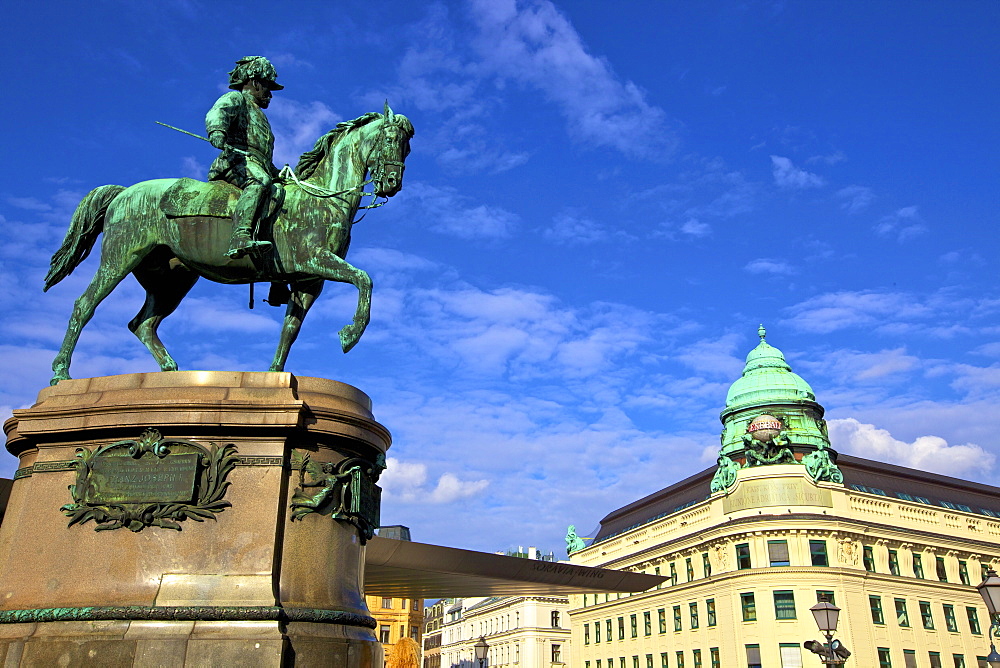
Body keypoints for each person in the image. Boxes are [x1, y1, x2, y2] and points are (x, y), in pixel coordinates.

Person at [205, 56, 283, 259]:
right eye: (268, 87)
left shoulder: (261, 117)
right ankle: (240, 237)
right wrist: (217, 131)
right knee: (259, 181)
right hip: (234, 162)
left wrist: (277, 172)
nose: (270, 95)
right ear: (256, 82)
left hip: (255, 163)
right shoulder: (236, 99)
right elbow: (218, 112)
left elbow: (262, 155)